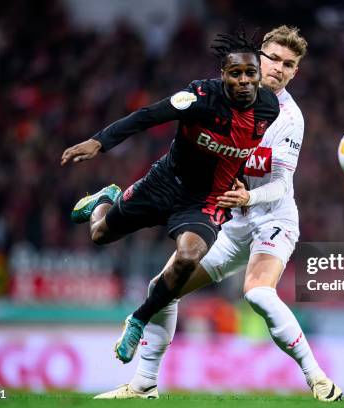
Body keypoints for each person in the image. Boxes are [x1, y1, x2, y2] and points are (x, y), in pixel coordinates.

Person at [94, 25, 342, 402]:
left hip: (272, 218)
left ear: (295, 72)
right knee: (164, 287)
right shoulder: (222, 96)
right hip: (229, 219)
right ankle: (144, 384)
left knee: (257, 293)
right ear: (258, 58)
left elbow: (281, 184)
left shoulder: (289, 119)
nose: (278, 68)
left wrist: (249, 199)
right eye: (272, 58)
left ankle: (318, 378)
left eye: (287, 64)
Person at [61, 29, 279, 362]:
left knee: (189, 256)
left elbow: (239, 150)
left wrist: (241, 183)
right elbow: (147, 116)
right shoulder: (199, 97)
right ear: (223, 76)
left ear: (259, 76)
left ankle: (139, 318)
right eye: (236, 74)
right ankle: (105, 198)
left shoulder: (268, 109)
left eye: (251, 73)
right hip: (165, 182)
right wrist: (99, 142)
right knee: (99, 234)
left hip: (206, 201)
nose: (245, 81)